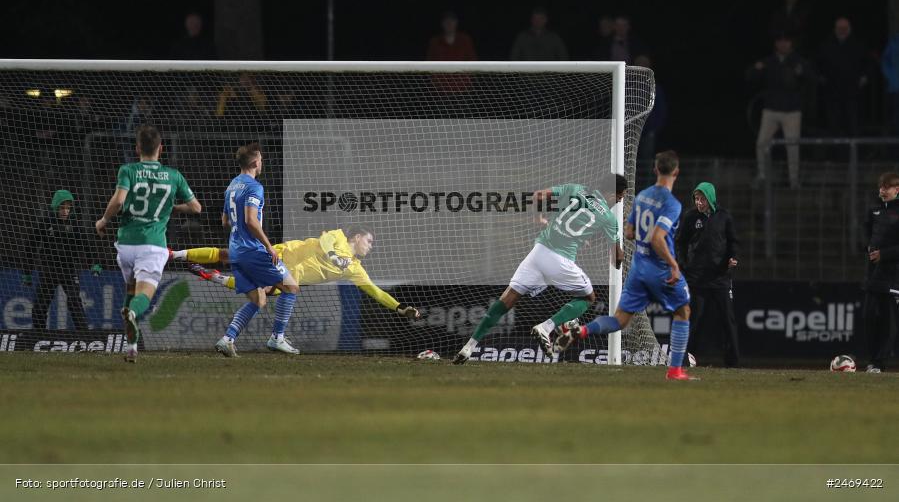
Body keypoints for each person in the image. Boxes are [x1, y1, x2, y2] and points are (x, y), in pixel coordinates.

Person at [453, 175, 626, 364]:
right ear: (611, 194)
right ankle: (547, 326)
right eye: (620, 196)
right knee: (588, 298)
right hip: (560, 260)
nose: (620, 200)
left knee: (506, 300)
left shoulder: (575, 189)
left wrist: (539, 218)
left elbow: (537, 195)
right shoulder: (609, 219)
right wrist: (620, 255)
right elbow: (616, 258)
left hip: (538, 252)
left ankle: (468, 348)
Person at [557, 151, 697, 381]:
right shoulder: (671, 204)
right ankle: (675, 371)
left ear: (655, 170)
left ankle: (580, 330)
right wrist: (673, 265)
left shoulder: (642, 196)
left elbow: (630, 232)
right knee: (683, 312)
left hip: (638, 269)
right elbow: (658, 238)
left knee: (620, 320)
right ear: (676, 172)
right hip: (660, 269)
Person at [95, 126, 201, 362]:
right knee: (143, 296)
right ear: (160, 149)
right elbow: (196, 208)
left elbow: (119, 200)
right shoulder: (174, 176)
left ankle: (131, 347)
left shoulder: (128, 170)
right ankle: (133, 313)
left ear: (137, 148)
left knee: (131, 290)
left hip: (125, 245)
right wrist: (173, 207)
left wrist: (103, 220)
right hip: (152, 245)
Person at [170, 226, 420, 320]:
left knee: (261, 294)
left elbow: (375, 292)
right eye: (369, 240)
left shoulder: (355, 269)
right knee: (229, 255)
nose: (371, 245)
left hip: (288, 277)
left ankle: (210, 276)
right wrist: (334, 256)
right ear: (357, 237)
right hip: (283, 254)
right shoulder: (339, 236)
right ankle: (175, 254)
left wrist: (399, 307)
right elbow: (325, 243)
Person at [214, 143, 300, 357]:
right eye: (260, 159)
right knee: (291, 287)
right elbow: (251, 220)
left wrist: (239, 229)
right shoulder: (255, 186)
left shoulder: (232, 185)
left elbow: (224, 220)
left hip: (235, 251)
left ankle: (227, 339)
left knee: (258, 300)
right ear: (254, 162)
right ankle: (277, 337)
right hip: (252, 249)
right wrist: (269, 247)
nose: (262, 163)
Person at [675, 182, 740, 367]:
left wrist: (733, 257)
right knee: (693, 320)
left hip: (720, 278)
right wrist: (683, 264)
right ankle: (686, 359)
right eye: (696, 199)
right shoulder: (690, 217)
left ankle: (733, 363)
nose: (699, 202)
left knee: (728, 320)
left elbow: (733, 241)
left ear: (710, 198)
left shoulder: (724, 217)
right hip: (697, 279)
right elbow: (680, 242)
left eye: (702, 199)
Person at [28, 190, 101, 331]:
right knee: (40, 305)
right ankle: (39, 335)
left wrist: (95, 263)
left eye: (68, 208)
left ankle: (84, 336)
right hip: (49, 270)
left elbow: (87, 245)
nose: (65, 211)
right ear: (55, 207)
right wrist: (27, 272)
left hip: (69, 270)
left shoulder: (75, 225)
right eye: (62, 208)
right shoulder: (45, 223)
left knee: (74, 301)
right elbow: (30, 246)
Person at [747, 33, 813, 189]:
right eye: (780, 41)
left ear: (791, 43)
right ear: (776, 44)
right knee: (762, 143)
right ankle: (762, 176)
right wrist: (756, 69)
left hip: (791, 111)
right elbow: (750, 75)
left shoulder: (799, 61)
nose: (783, 44)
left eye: (787, 41)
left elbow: (811, 78)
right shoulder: (769, 61)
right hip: (771, 110)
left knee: (792, 146)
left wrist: (801, 73)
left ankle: (794, 180)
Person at [861, 172, 899, 373]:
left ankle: (879, 363)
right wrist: (867, 246)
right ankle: (872, 359)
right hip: (873, 273)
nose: (882, 190)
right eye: (881, 187)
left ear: (897, 190)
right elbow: (865, 231)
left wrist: (884, 254)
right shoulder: (874, 210)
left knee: (889, 321)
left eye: (887, 187)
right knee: (868, 315)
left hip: (893, 275)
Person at [816, 17, 871, 137]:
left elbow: (867, 63)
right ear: (835, 29)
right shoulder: (826, 45)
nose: (842, 30)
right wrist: (820, 77)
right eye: (839, 28)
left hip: (853, 93)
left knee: (853, 126)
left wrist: (865, 77)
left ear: (850, 29)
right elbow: (817, 65)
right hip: (832, 92)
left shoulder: (859, 44)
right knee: (833, 126)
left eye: (845, 28)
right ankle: (835, 154)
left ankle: (853, 154)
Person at [425, 11, 478, 92]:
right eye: (446, 21)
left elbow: (472, 62)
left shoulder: (465, 40)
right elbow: (429, 64)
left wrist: (466, 81)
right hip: (440, 91)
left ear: (456, 23)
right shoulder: (434, 42)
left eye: (452, 20)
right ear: (442, 23)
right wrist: (436, 82)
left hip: (462, 89)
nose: (449, 23)